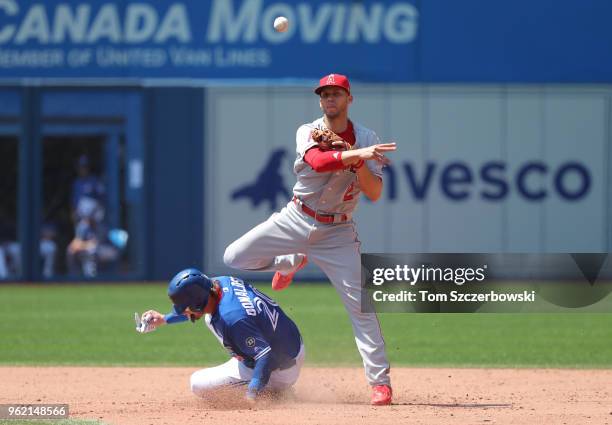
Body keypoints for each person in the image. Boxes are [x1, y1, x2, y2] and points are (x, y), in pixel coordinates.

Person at [223, 73, 397, 405]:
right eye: (325, 94)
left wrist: (358, 158)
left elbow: (373, 192)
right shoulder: (310, 130)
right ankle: (289, 261)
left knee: (362, 306)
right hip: (296, 217)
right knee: (234, 256)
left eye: (336, 93)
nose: (330, 98)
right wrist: (356, 154)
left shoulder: (366, 137)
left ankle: (380, 383)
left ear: (349, 99)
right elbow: (317, 162)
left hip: (338, 232)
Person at [139, 268, 305, 403]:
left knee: (199, 384)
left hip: (278, 367)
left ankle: (276, 392)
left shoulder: (232, 318)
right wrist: (163, 319)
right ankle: (261, 376)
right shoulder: (220, 283)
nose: (184, 311)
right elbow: (201, 306)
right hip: (287, 342)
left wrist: (252, 395)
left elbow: (265, 356)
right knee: (211, 317)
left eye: (186, 307)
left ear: (197, 303)